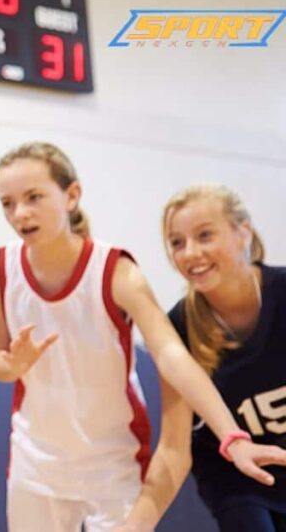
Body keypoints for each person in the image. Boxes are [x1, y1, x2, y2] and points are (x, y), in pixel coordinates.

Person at [0, 143, 283, 531]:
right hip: (36, 464)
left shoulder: (114, 269)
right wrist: (10, 365)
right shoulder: (2, 267)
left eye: (33, 197)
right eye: (7, 203)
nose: (20, 213)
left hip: (112, 465)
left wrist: (231, 435)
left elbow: (172, 357)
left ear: (71, 195)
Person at [118, 184, 286, 532]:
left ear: (244, 232)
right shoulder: (177, 328)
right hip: (236, 477)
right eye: (177, 242)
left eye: (205, 235)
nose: (190, 252)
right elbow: (174, 446)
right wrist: (135, 526)